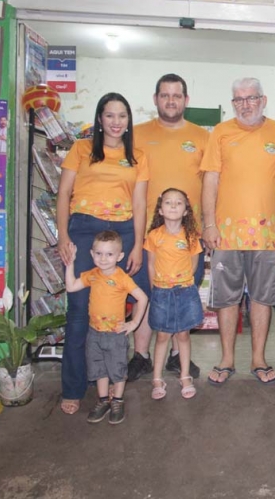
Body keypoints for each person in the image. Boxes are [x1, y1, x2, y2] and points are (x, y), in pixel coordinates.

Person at [56, 92, 149, 416]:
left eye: (122, 115)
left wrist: (137, 244)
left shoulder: (137, 156)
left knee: (114, 306)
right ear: (99, 119)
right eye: (109, 115)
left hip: (123, 231)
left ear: (128, 121)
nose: (116, 121)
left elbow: (140, 204)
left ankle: (112, 382)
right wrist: (63, 235)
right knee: (80, 309)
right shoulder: (81, 150)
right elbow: (64, 193)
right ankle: (73, 387)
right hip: (83, 230)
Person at [201, 77, 275, 386]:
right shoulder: (221, 133)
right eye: (238, 100)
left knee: (263, 298)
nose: (245, 104)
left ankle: (258, 359)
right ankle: (226, 360)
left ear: (263, 100)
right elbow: (210, 179)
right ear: (232, 104)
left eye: (251, 98)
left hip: (267, 236)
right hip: (226, 234)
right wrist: (209, 224)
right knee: (227, 298)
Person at [128, 73, 209, 382]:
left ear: (186, 101)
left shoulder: (203, 137)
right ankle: (141, 355)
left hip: (189, 235)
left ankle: (178, 356)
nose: (171, 100)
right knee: (148, 294)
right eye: (165, 95)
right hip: (146, 235)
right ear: (155, 99)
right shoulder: (136, 135)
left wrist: (209, 226)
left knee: (183, 293)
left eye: (177, 95)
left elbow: (212, 183)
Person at [64, 231, 149, 424]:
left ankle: (117, 400)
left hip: (115, 334)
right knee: (98, 369)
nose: (103, 258)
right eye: (99, 253)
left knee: (118, 369)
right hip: (94, 332)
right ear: (92, 254)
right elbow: (71, 287)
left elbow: (142, 298)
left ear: (119, 256)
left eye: (109, 254)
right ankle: (103, 400)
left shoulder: (121, 277)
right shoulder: (92, 275)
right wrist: (71, 264)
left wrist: (134, 323)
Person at [144, 188, 204, 400]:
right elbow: (150, 264)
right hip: (161, 291)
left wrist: (186, 283)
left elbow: (195, 263)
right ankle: (157, 378)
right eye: (168, 202)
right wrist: (155, 289)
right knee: (161, 335)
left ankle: (185, 376)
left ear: (186, 211)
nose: (173, 206)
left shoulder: (190, 236)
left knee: (183, 335)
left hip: (184, 291)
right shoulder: (153, 236)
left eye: (178, 203)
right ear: (160, 210)